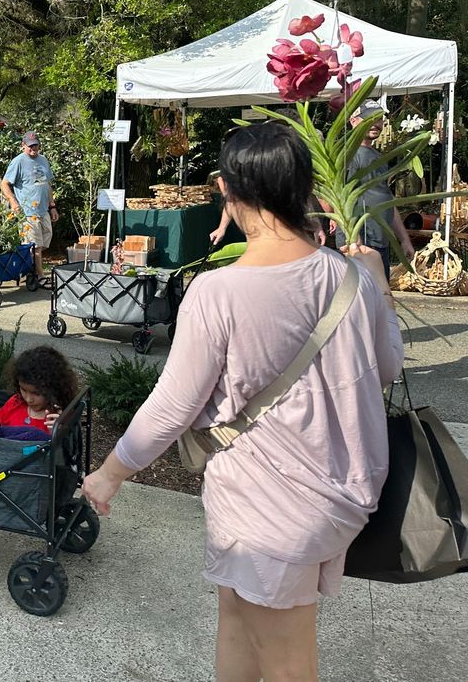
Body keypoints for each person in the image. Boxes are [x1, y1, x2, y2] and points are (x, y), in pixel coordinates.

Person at [81, 122, 402, 682]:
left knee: (286, 662)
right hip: (337, 486)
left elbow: (172, 406)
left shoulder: (218, 290)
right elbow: (387, 369)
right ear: (307, 189)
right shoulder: (354, 276)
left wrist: (110, 474)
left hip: (269, 504)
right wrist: (379, 283)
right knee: (236, 615)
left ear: (230, 193)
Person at [337, 99, 416, 274]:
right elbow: (340, 199)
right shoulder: (347, 155)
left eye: (379, 119)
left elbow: (387, 199)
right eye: (369, 118)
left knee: (380, 296)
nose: (376, 124)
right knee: (360, 298)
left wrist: (404, 239)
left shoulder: (377, 156)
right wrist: (352, 237)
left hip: (379, 240)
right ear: (354, 121)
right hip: (359, 242)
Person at [0, 131, 56, 283]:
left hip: (43, 209)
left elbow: (47, 184)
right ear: (23, 145)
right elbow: (4, 183)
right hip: (27, 212)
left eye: (36, 145)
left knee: (44, 242)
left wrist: (52, 206)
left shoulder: (43, 160)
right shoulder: (18, 161)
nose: (33, 149)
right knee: (35, 245)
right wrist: (13, 201)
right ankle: (40, 276)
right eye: (30, 146)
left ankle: (26, 267)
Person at [0, 346, 80, 434]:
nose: (29, 399)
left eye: (36, 393)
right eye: (23, 389)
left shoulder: (58, 418)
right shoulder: (14, 403)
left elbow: (64, 445)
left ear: (54, 389)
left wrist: (56, 433)